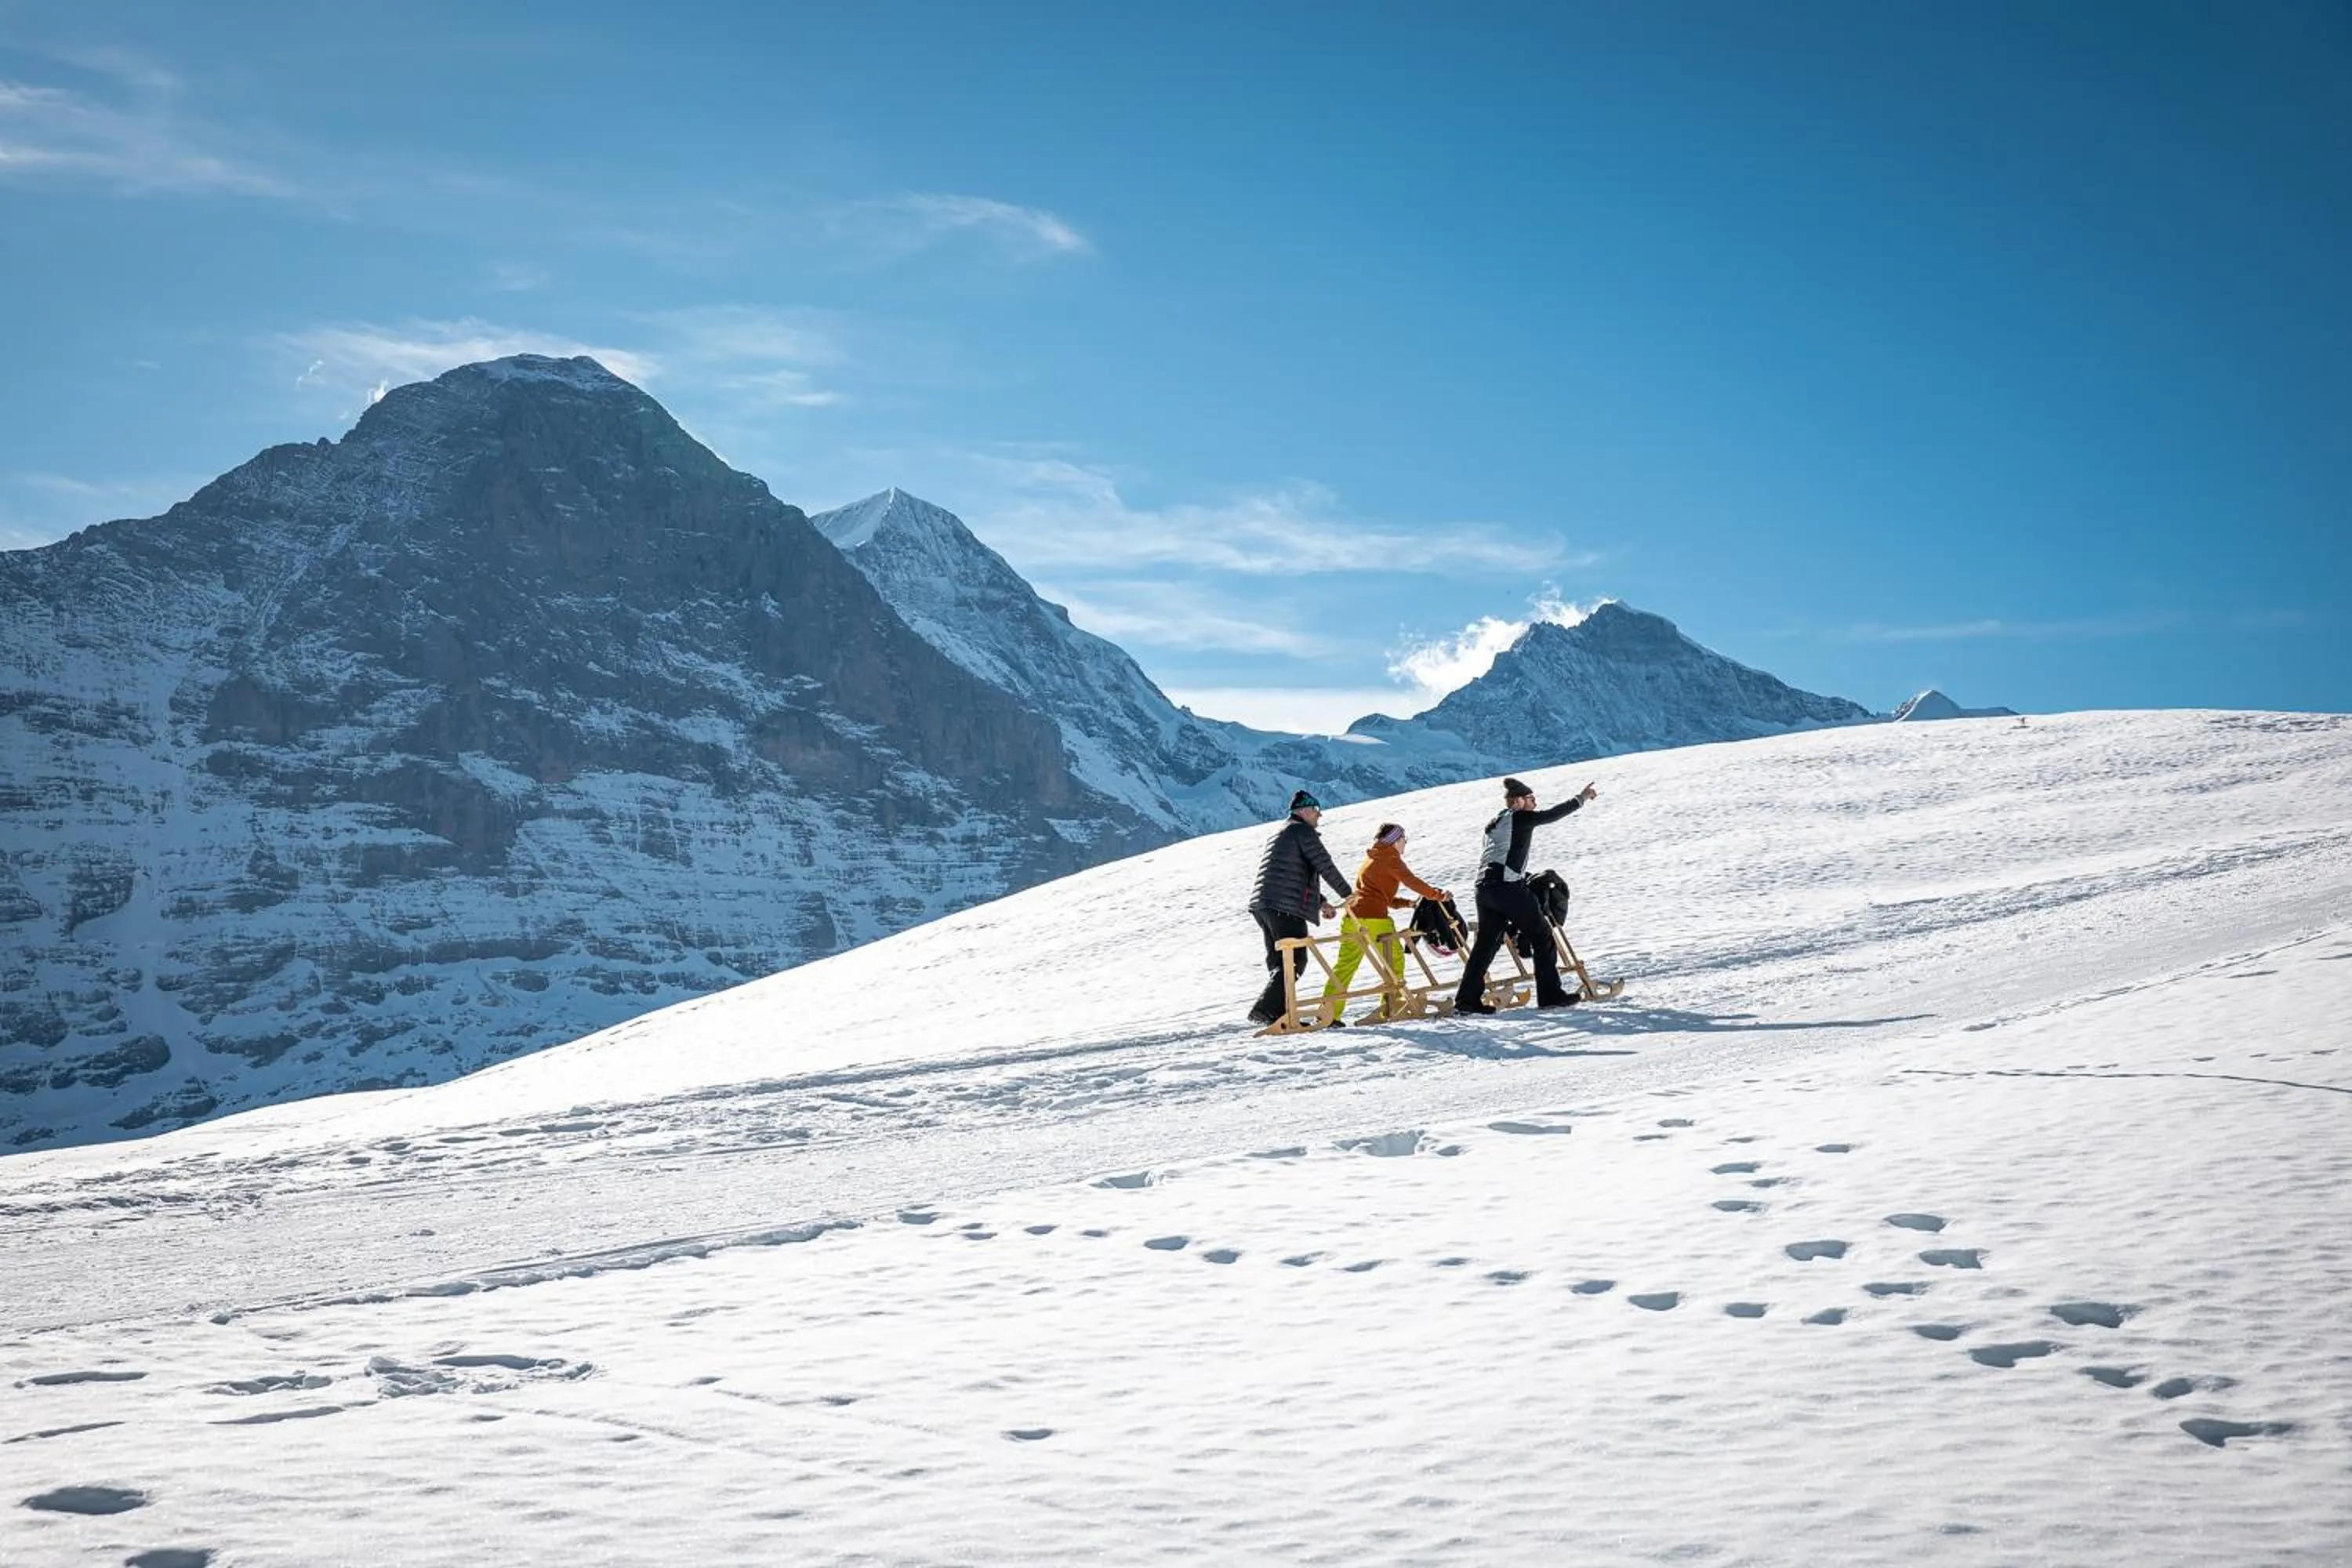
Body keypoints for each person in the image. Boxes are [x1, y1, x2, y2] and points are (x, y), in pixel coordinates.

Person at [1454, 775, 1599, 1014]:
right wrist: (1581, 798)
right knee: (1541, 934)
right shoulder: (1519, 817)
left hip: (1484, 889)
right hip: (1507, 888)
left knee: (1486, 945)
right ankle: (1551, 995)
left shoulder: (1497, 820)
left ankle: (1467, 1000)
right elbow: (1552, 815)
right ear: (1519, 801)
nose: (1535, 802)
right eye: (1531, 798)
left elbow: (1504, 855)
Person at [1316, 824, 1448, 1026]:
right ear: (1396, 840)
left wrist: (1408, 904)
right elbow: (1411, 881)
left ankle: (1328, 1013)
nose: (1405, 844)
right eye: (1404, 839)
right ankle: (1392, 1005)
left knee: (1346, 965)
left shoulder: (1374, 856)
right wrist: (1438, 896)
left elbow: (1378, 895)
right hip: (1375, 920)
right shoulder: (1390, 857)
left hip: (1352, 918)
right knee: (1393, 959)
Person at [1246, 789, 1353, 1025]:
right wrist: (1348, 894)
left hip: (1264, 906)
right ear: (1303, 811)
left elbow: (1294, 875)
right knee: (1296, 959)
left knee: (1280, 961)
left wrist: (1322, 902)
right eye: (1315, 810)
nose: (1319, 815)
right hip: (1284, 907)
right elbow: (1325, 865)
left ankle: (1281, 1014)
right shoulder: (1302, 831)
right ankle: (1265, 1010)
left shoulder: (1283, 832)